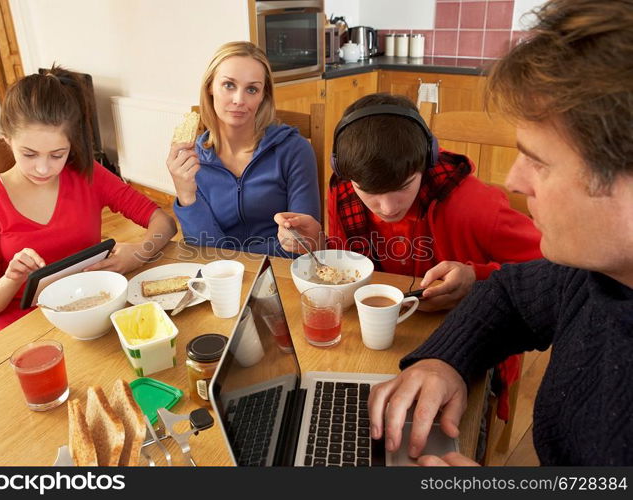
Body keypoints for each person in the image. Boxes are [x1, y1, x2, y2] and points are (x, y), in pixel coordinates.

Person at [368, 0, 633, 466]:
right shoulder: (596, 275)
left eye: (539, 161)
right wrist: (443, 360)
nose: (512, 181)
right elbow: (512, 294)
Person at [0, 65, 177, 333]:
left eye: (57, 154)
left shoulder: (87, 174)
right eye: (29, 154)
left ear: (71, 145)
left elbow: (162, 222)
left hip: (93, 311)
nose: (43, 168)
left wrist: (140, 254)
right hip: (25, 328)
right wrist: (10, 280)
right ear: (7, 139)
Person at [277, 92, 542, 313]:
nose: (388, 208)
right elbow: (352, 262)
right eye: (368, 191)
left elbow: (553, 270)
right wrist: (319, 245)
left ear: (427, 160)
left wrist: (478, 279)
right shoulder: (344, 192)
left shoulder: (474, 205)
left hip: (469, 333)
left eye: (403, 187)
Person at [168, 41, 320, 257]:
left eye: (251, 89)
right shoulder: (191, 160)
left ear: (263, 96)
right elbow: (202, 250)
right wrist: (185, 194)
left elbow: (301, 247)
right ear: (210, 86)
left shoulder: (295, 150)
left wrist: (235, 261)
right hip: (219, 278)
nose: (239, 100)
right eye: (229, 85)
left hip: (279, 273)